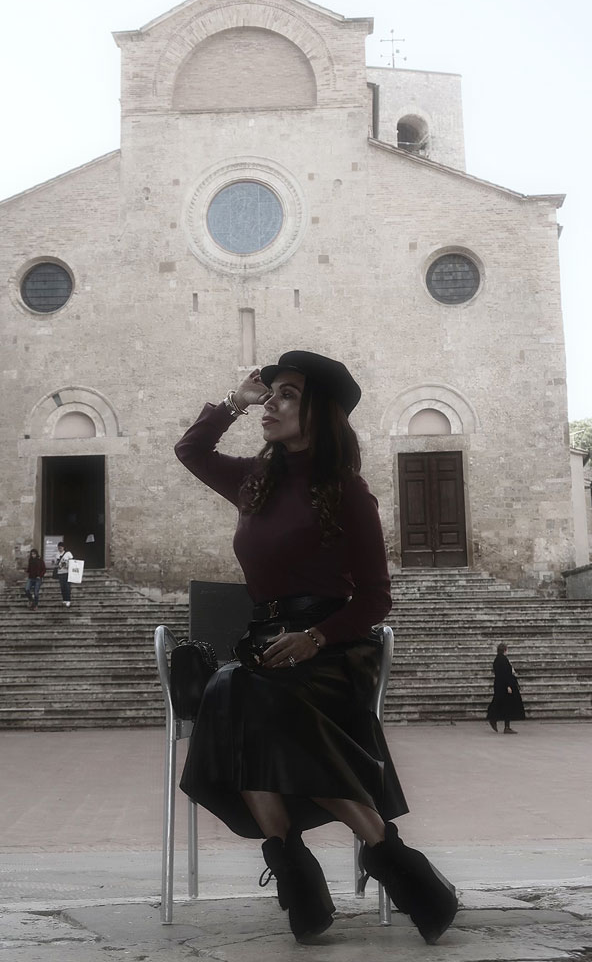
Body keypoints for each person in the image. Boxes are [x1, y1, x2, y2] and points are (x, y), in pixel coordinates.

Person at [174, 351, 458, 945]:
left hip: (334, 649)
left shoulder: (347, 492)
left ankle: (336, 868)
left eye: (287, 395)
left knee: (247, 694)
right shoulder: (254, 482)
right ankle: (338, 863)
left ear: (318, 414)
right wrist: (233, 401)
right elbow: (191, 451)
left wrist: (316, 637)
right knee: (238, 688)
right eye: (270, 392)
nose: (271, 403)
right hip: (267, 649)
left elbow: (376, 598)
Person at [487, 642, 525, 734]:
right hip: (504, 686)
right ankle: (504, 725)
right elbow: (504, 674)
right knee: (507, 705)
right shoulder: (503, 660)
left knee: (500, 704)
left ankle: (496, 720)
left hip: (499, 685)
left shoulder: (497, 659)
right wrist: (508, 686)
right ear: (504, 650)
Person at [55, 542, 74, 607]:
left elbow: (72, 561)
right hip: (60, 572)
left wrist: (66, 564)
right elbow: (56, 563)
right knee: (62, 587)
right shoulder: (57, 554)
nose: (60, 549)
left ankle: (68, 600)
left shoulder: (68, 553)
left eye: (61, 547)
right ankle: (64, 600)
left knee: (67, 587)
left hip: (67, 572)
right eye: (59, 548)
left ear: (63, 547)